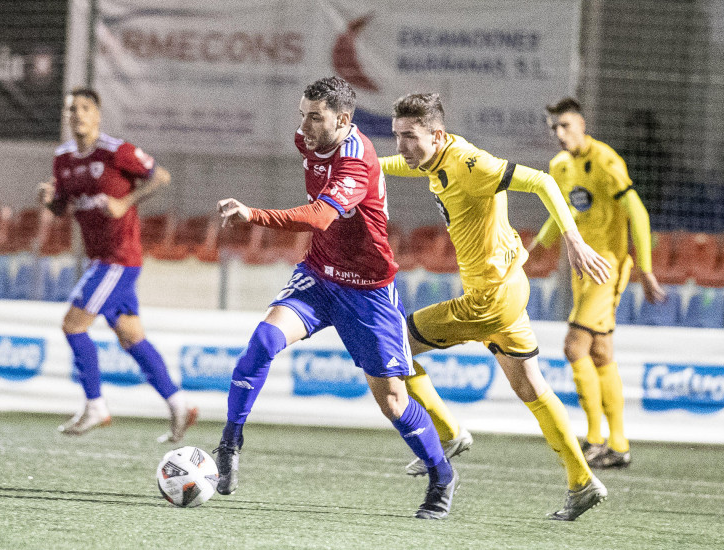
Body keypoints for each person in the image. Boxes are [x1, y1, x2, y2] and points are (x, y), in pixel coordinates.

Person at [212, 77, 457, 520]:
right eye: (301, 114)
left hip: (368, 291)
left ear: (343, 120)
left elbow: (320, 216)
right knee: (262, 343)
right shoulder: (310, 140)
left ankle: (442, 475)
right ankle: (229, 443)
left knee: (394, 403)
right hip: (320, 277)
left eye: (315, 117)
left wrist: (253, 214)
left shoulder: (357, 160)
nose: (303, 126)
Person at [380, 93, 611, 521]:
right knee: (532, 389)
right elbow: (395, 164)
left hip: (490, 300)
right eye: (397, 136)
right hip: (508, 290)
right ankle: (581, 482)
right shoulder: (435, 158)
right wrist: (364, 165)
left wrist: (574, 241)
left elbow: (542, 182)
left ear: (438, 135)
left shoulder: (469, 165)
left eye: (409, 137)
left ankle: (447, 435)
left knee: (391, 343)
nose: (401, 146)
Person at [36, 87, 198, 441]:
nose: (77, 114)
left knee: (73, 325)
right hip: (101, 259)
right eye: (71, 109)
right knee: (131, 337)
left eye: (84, 108)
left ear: (97, 115)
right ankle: (179, 405)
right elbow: (63, 209)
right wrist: (49, 202)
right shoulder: (63, 158)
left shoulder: (116, 151)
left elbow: (161, 176)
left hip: (119, 259)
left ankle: (95, 406)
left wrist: (126, 201)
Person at [530, 98, 666, 468]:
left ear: (582, 124)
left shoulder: (606, 161)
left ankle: (592, 439)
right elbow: (566, 212)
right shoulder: (559, 166)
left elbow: (636, 210)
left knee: (574, 346)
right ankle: (618, 445)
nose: (560, 134)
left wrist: (646, 268)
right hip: (581, 269)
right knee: (601, 353)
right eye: (554, 128)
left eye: (566, 126)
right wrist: (537, 247)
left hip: (607, 267)